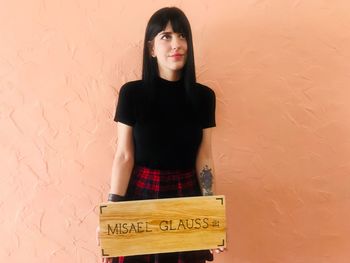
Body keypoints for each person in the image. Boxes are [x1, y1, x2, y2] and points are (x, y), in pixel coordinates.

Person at [99, 6, 221, 263]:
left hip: (186, 197)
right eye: (166, 36)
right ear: (152, 49)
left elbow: (205, 157)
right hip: (140, 194)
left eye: (182, 35)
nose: (176, 44)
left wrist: (211, 215)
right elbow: (123, 156)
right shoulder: (131, 94)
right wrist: (112, 218)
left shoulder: (204, 97)